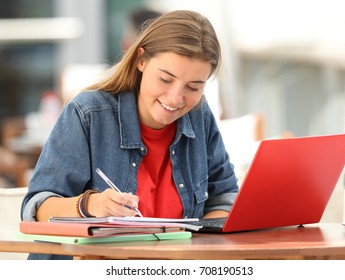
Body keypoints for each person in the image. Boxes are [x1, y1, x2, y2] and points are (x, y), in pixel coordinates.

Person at [21, 10, 238, 259]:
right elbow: (36, 209)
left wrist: (196, 249)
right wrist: (90, 205)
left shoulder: (199, 115)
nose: (176, 98)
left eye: (193, 87)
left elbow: (225, 200)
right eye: (166, 79)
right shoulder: (88, 113)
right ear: (141, 60)